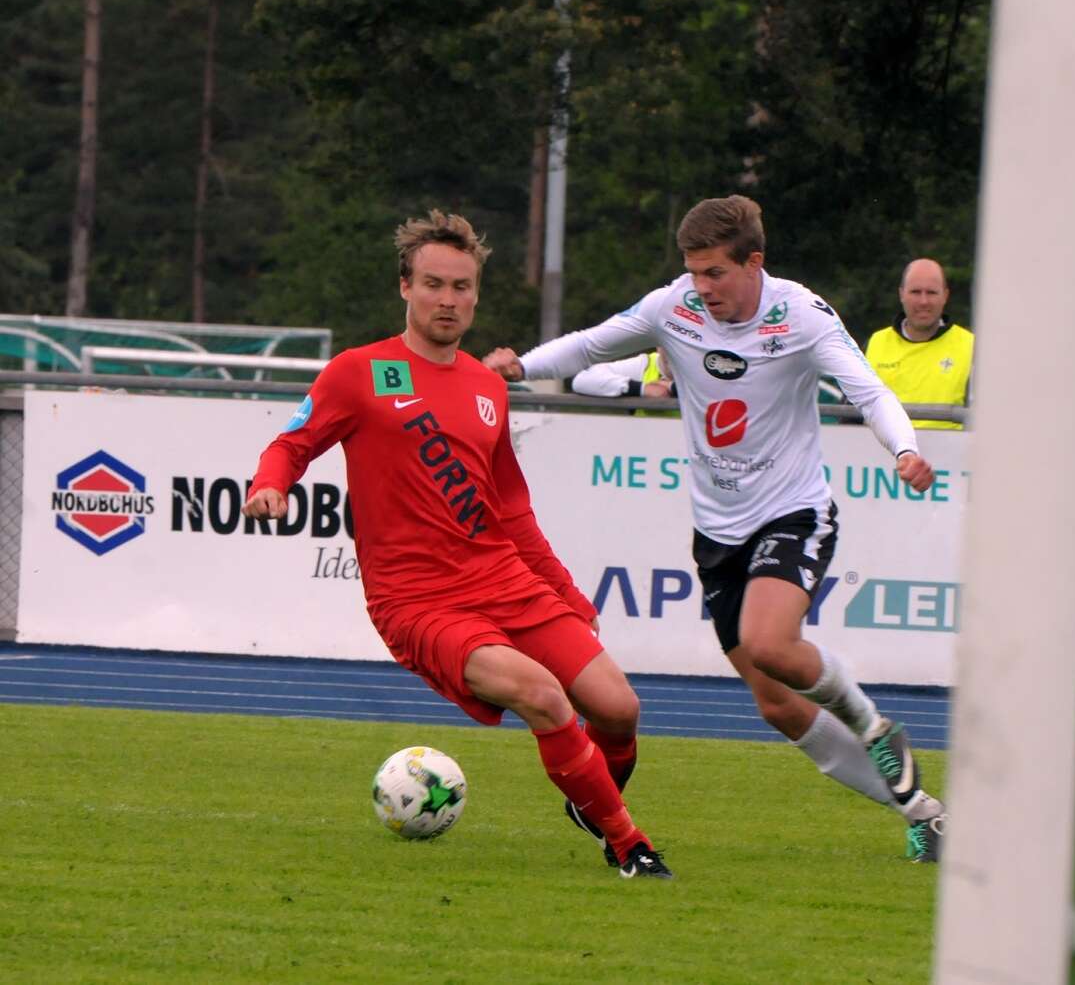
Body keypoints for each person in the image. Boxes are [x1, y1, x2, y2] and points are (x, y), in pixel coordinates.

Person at [485, 195, 950, 862]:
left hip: (794, 512)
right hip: (717, 535)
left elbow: (870, 390)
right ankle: (921, 810)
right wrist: (521, 366)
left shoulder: (801, 315)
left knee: (770, 642)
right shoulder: (673, 307)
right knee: (777, 705)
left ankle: (874, 725)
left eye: (714, 273)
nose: (701, 288)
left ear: (754, 262)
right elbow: (590, 344)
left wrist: (903, 449)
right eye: (693, 272)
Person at [242, 210, 672, 880]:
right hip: (417, 599)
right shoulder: (359, 372)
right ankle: (627, 842)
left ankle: (591, 799)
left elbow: (513, 510)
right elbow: (291, 443)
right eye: (434, 284)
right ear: (405, 288)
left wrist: (565, 593)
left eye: (461, 287)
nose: (448, 299)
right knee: (544, 696)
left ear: (476, 294)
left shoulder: (486, 385)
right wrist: (270, 484)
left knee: (619, 708)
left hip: (505, 580)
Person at [863, 258, 973, 430]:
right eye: (915, 292)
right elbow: (848, 416)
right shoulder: (875, 343)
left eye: (931, 292)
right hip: (880, 447)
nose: (923, 301)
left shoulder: (971, 347)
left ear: (945, 296)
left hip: (948, 447)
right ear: (901, 294)